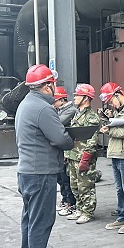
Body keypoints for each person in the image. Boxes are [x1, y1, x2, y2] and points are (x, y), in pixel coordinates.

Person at [16, 65, 74, 248]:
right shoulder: (43, 108)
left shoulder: (25, 104)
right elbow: (60, 139)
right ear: (48, 86)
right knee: (41, 220)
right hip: (41, 173)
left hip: (26, 171)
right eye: (53, 84)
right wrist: (70, 141)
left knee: (29, 218)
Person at [100, 82, 124, 234]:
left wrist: (110, 131)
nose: (111, 104)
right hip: (116, 152)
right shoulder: (119, 111)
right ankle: (122, 216)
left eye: (111, 101)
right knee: (119, 188)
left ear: (117, 95)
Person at [63, 84, 100, 224]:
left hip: (83, 157)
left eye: (77, 95)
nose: (74, 98)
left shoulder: (92, 117)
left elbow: (92, 140)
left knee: (85, 186)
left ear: (86, 98)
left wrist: (86, 158)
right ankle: (79, 208)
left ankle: (88, 212)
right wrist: (67, 153)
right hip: (73, 156)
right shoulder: (77, 114)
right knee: (74, 185)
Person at [52, 87, 77, 216]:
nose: (53, 103)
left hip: (67, 148)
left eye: (55, 100)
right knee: (60, 176)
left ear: (62, 100)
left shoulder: (71, 110)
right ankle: (65, 199)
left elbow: (58, 123)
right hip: (61, 148)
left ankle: (70, 202)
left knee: (66, 178)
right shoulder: (59, 110)